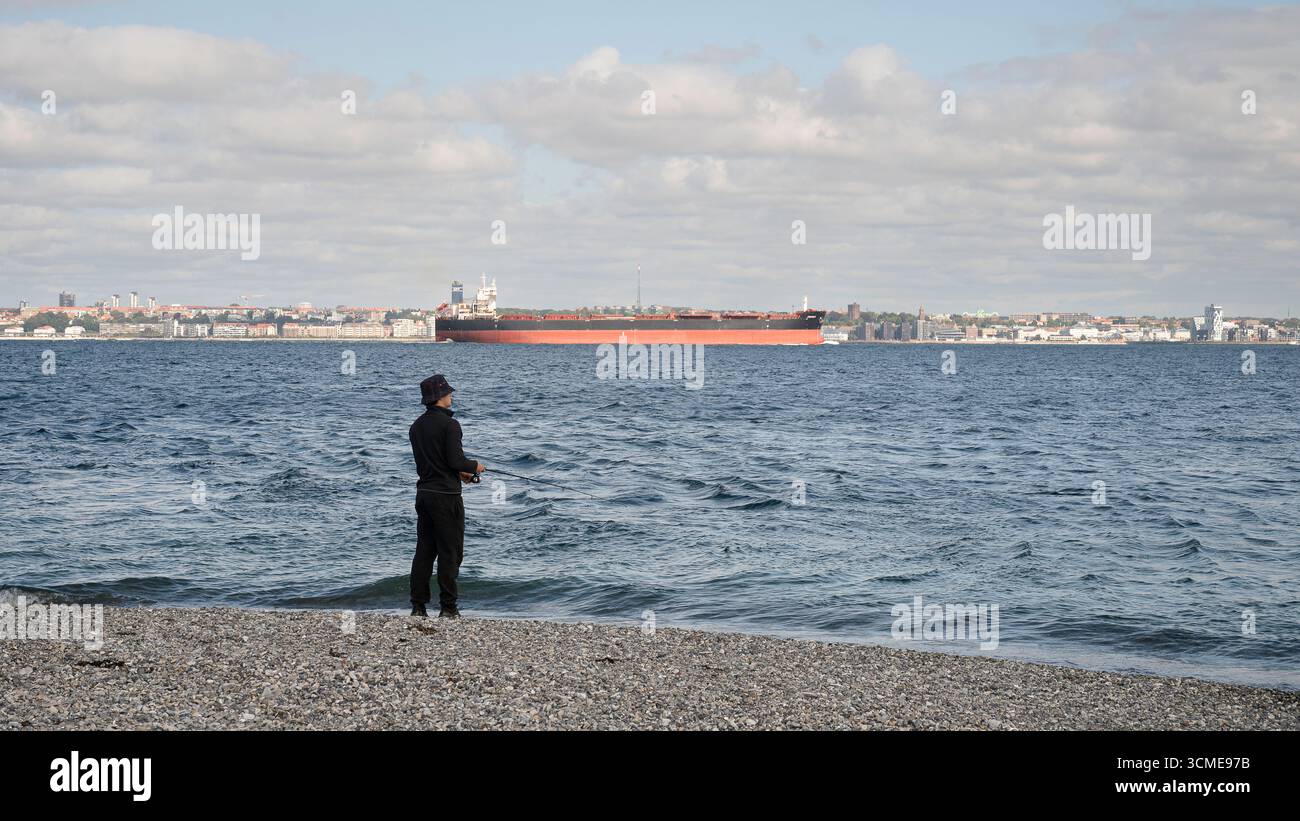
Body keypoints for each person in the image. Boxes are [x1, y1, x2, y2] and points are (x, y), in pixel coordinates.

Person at [408, 374, 484, 617]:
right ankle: (448, 608)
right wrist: (474, 467)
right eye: (448, 392)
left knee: (425, 552)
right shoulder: (451, 425)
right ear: (440, 397)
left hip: (425, 495)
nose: (451, 395)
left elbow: (436, 462)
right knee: (450, 553)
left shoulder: (416, 427)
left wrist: (458, 472)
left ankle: (418, 607)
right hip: (446, 497)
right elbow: (455, 460)